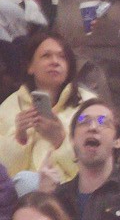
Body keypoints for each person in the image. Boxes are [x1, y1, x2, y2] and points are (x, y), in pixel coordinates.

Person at [0, 33, 93, 191]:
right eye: (46, 56)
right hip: (19, 195)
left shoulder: (88, 105)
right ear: (30, 66)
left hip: (67, 193)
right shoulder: (10, 105)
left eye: (62, 57)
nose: (55, 62)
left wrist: (60, 141)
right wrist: (19, 139)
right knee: (26, 181)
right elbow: (3, 174)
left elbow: (95, 167)